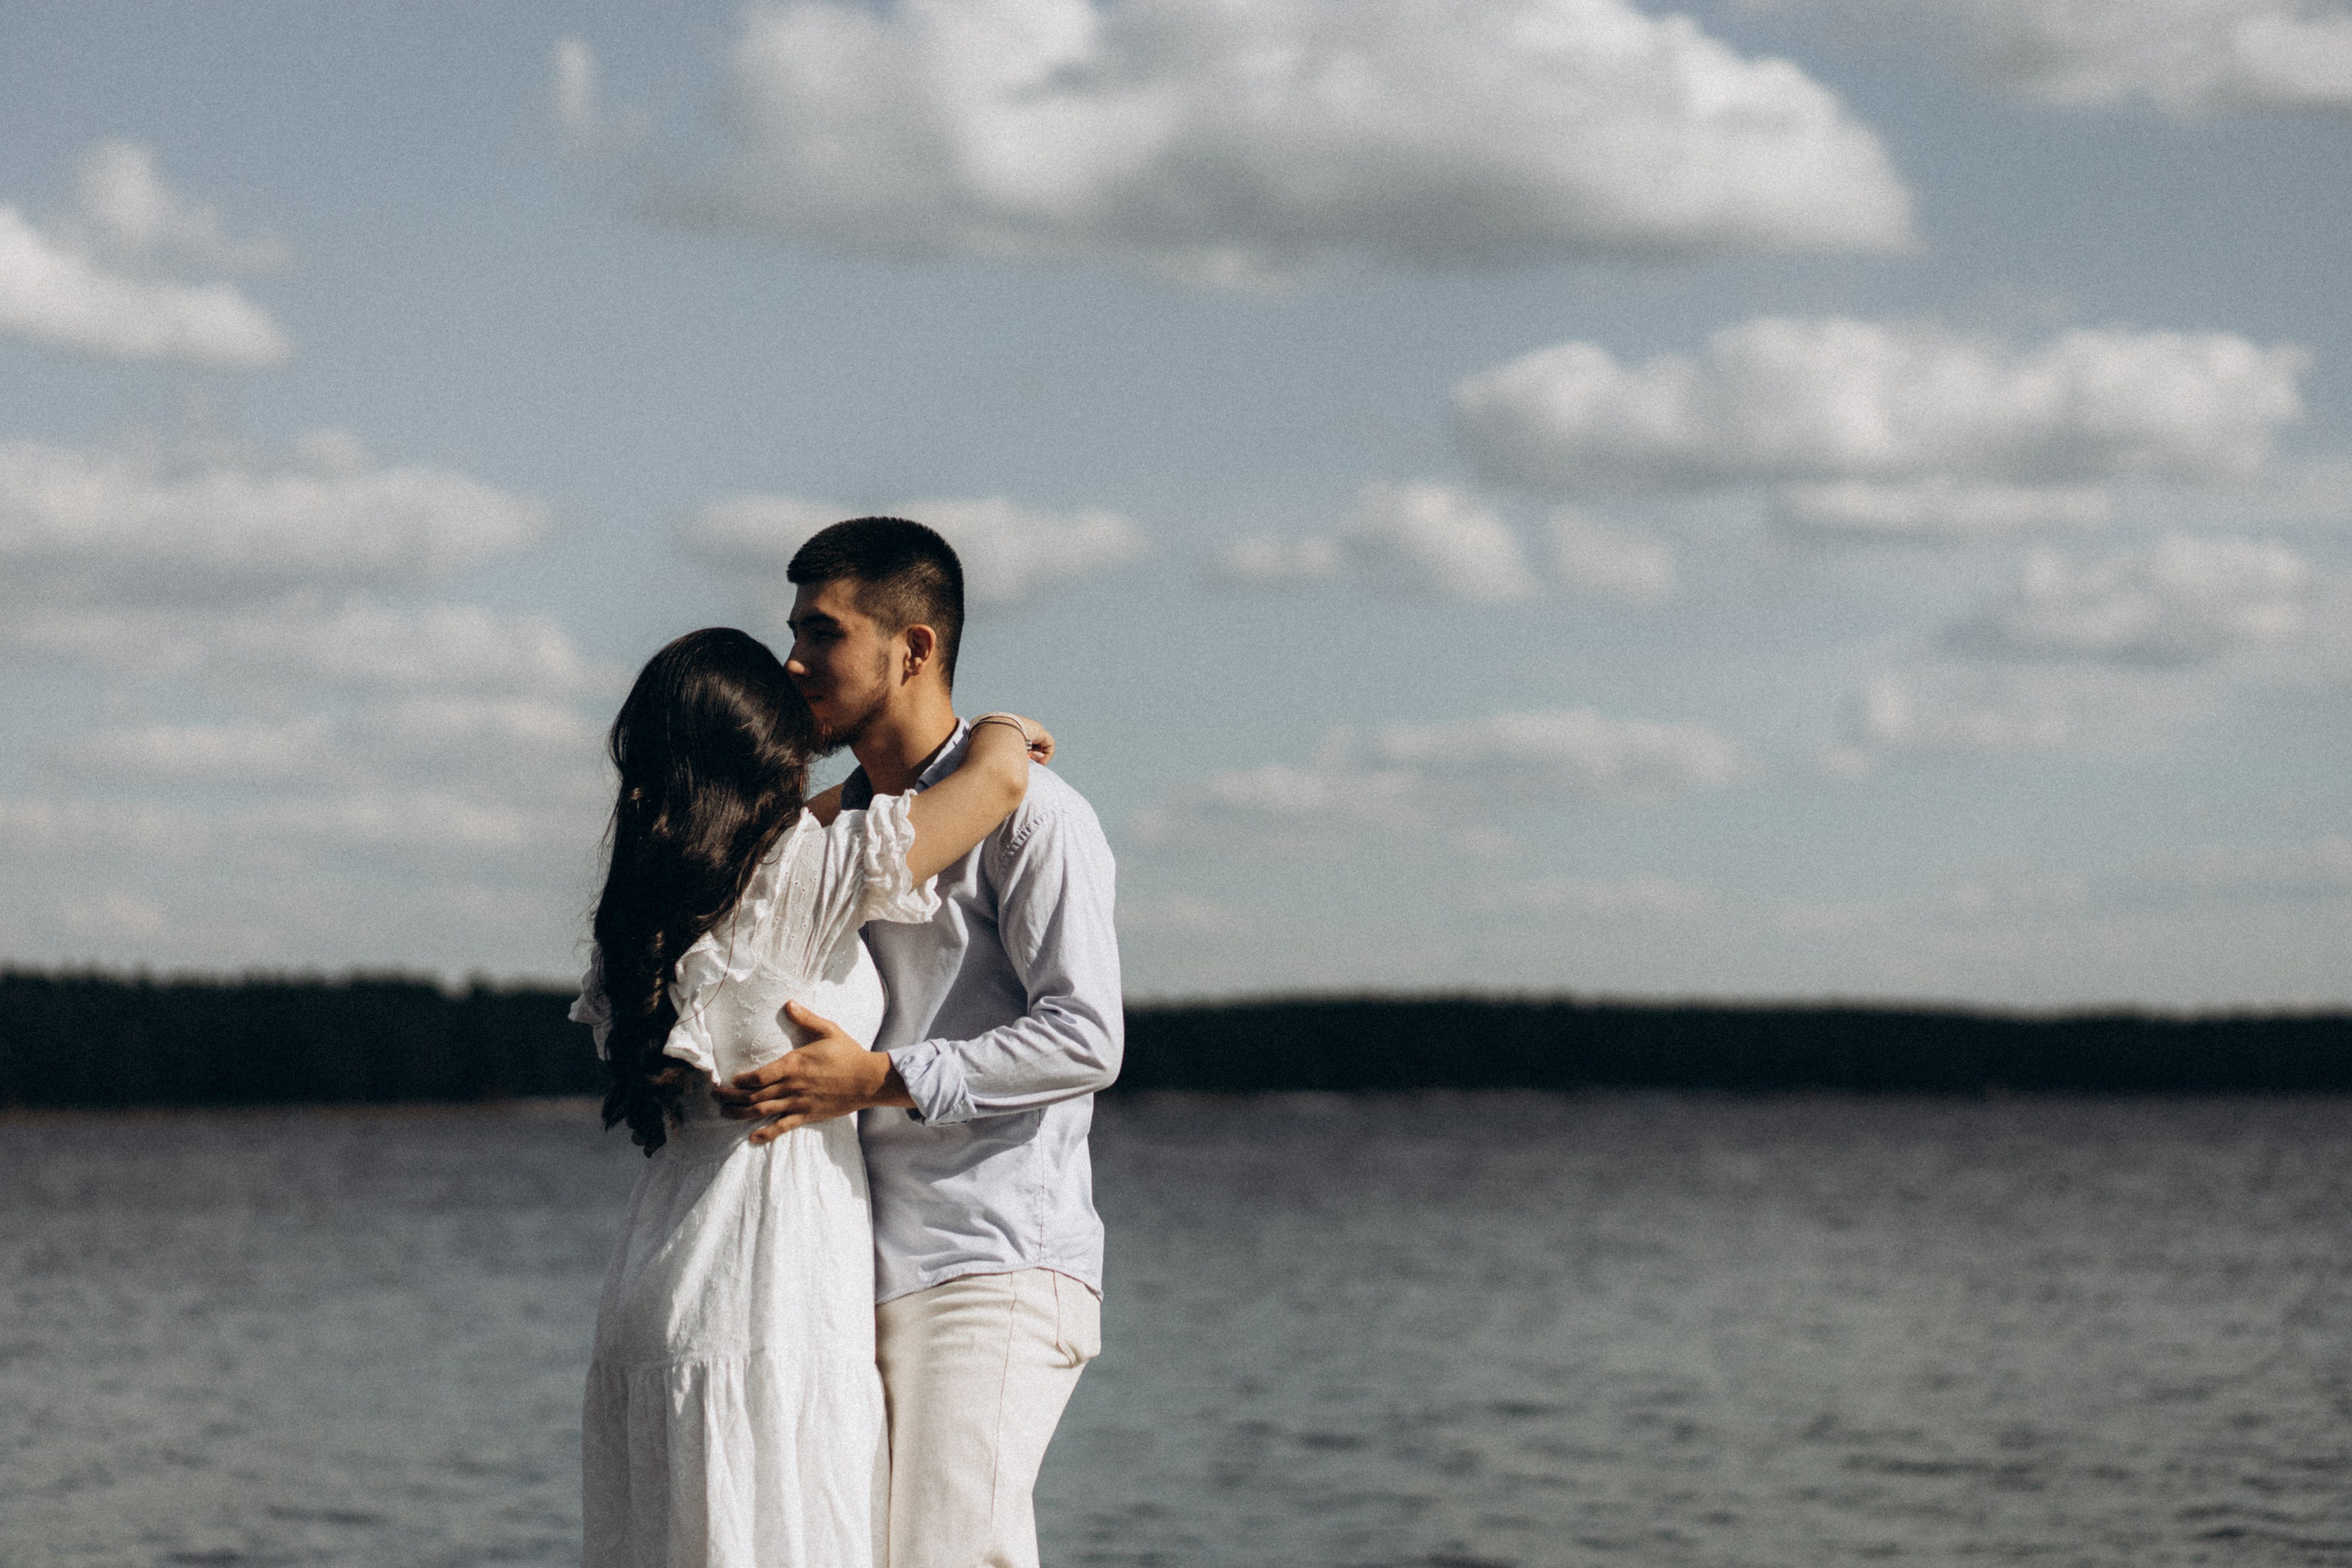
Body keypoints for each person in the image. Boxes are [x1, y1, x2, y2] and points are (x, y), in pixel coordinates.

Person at [568, 626, 1052, 1568]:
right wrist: (1002, 725)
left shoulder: (652, 905)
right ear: (766, 757)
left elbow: (825, 816)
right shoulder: (802, 875)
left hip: (658, 1285)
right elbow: (996, 782)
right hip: (768, 1287)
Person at [714, 517, 1124, 1568]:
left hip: (993, 1261)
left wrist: (879, 1078)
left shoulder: (1037, 820)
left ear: (913, 650)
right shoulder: (822, 837)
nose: (794, 662)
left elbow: (1086, 1036)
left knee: (951, 1555)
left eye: (823, 633)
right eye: (792, 632)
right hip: (845, 1266)